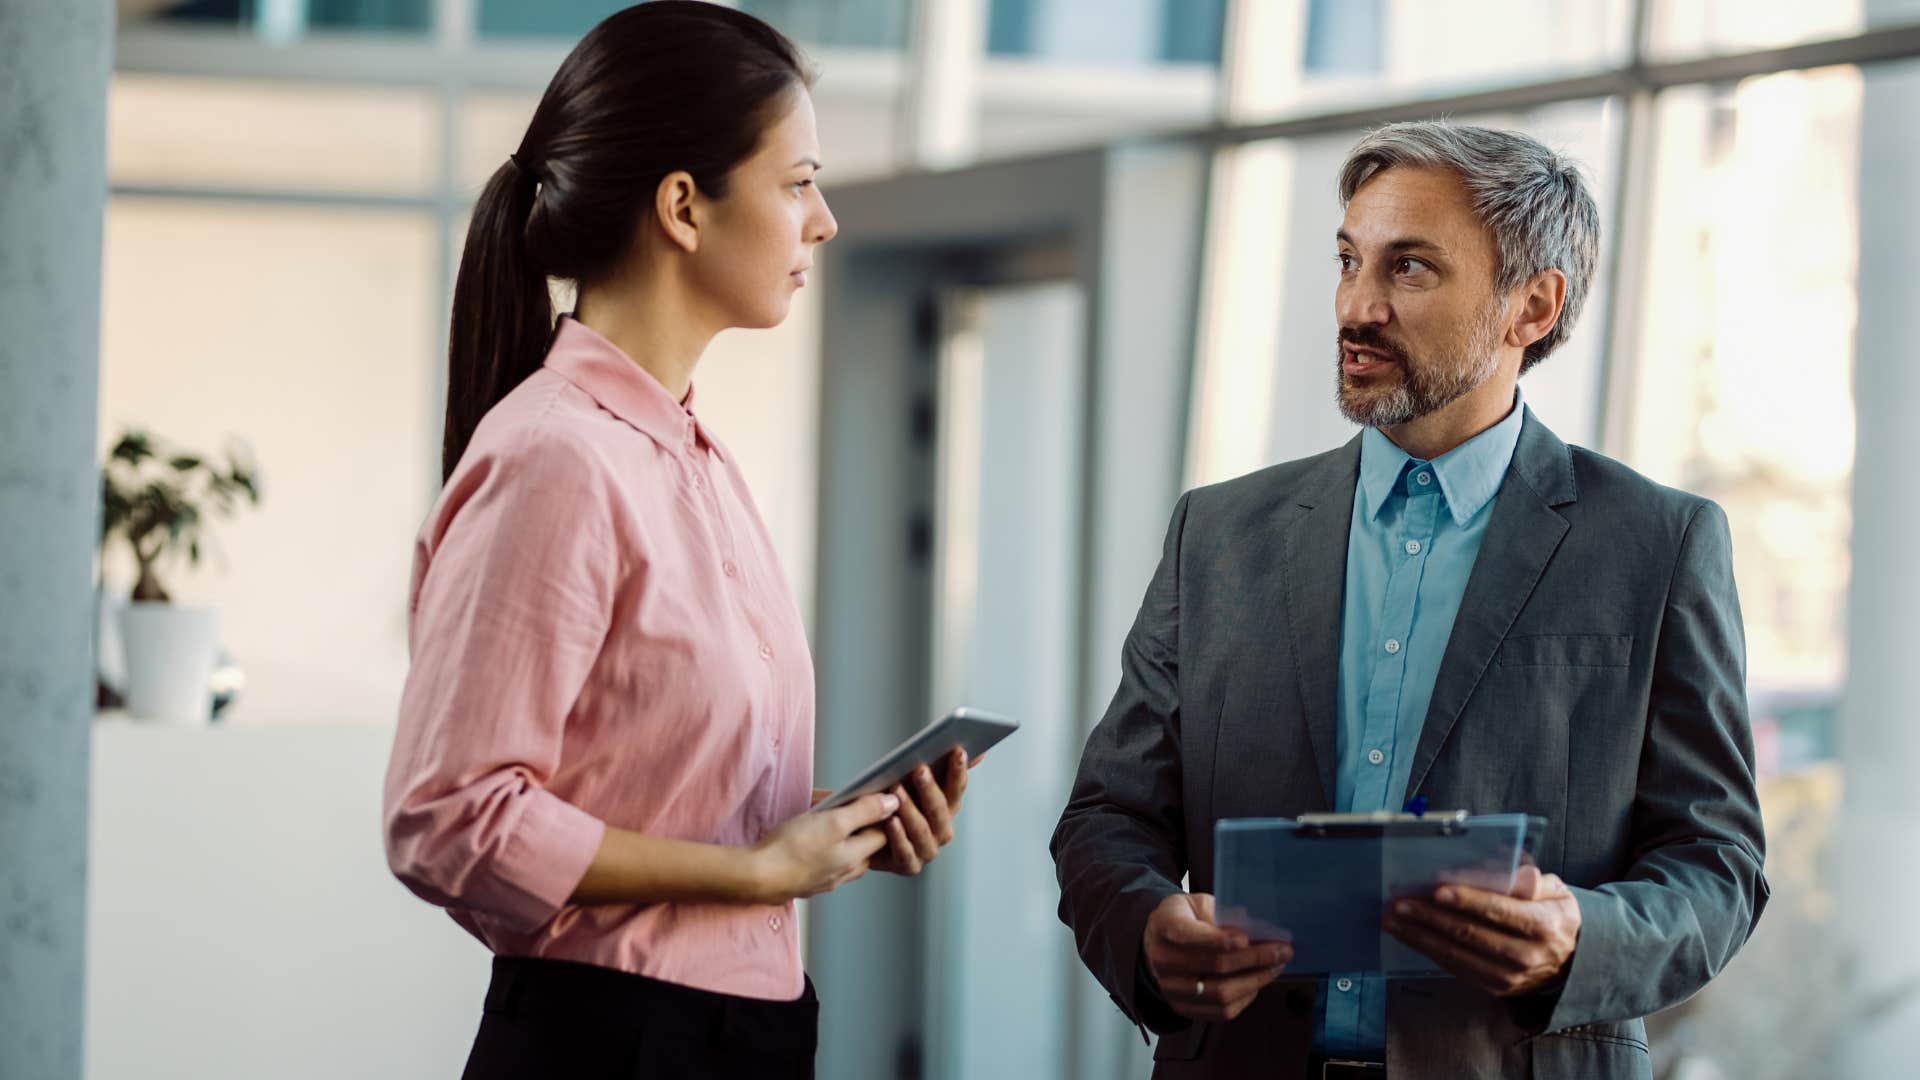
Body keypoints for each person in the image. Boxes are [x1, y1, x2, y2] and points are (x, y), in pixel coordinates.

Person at [1051, 122, 1767, 1079]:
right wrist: (1146, 929)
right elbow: (1108, 815)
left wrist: (1582, 939)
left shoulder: (1658, 545)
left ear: (1533, 306)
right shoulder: (1217, 535)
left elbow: (1718, 861)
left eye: (1411, 268)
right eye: (1349, 261)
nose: (1358, 306)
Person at [381, 5, 969, 1078]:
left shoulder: (692, 457)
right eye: (797, 184)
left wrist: (826, 831)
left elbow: (653, 786)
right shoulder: (556, 457)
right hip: (615, 1043)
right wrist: (754, 874)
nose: (824, 221)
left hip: (742, 1032)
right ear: (684, 207)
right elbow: (448, 818)